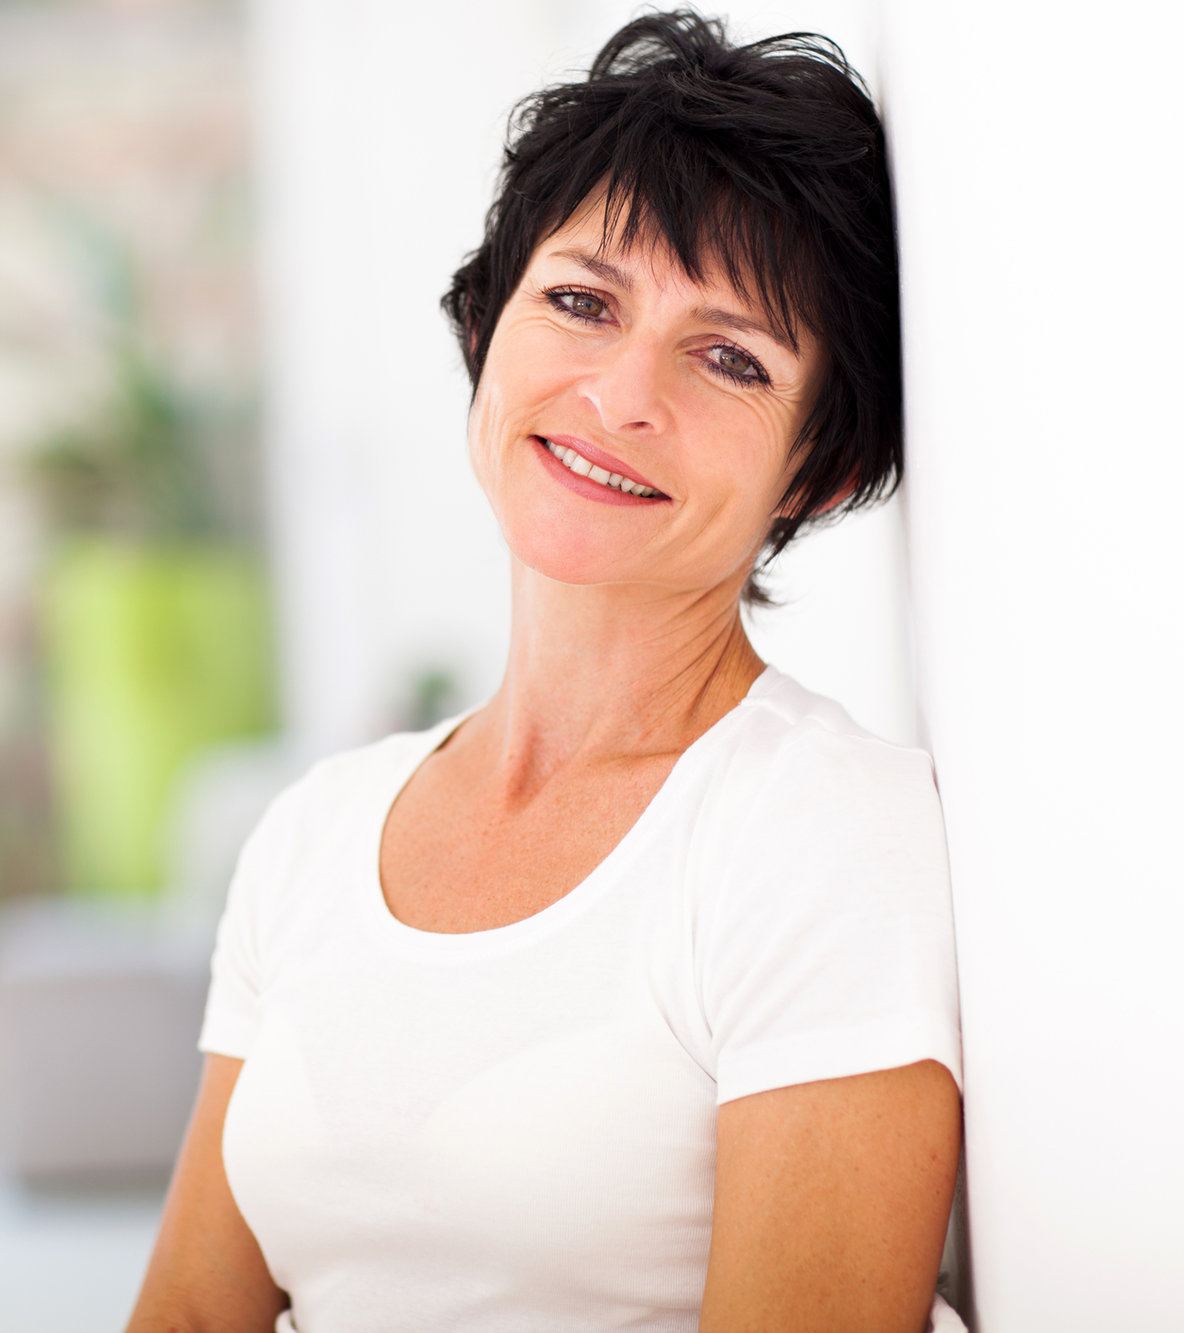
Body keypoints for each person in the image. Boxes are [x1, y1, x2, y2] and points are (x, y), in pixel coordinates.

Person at [126, 11, 965, 1333]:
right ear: (483, 331)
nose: (623, 394)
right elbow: (184, 1312)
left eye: (729, 357)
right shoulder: (315, 834)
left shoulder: (818, 834)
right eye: (581, 302)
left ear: (822, 469)